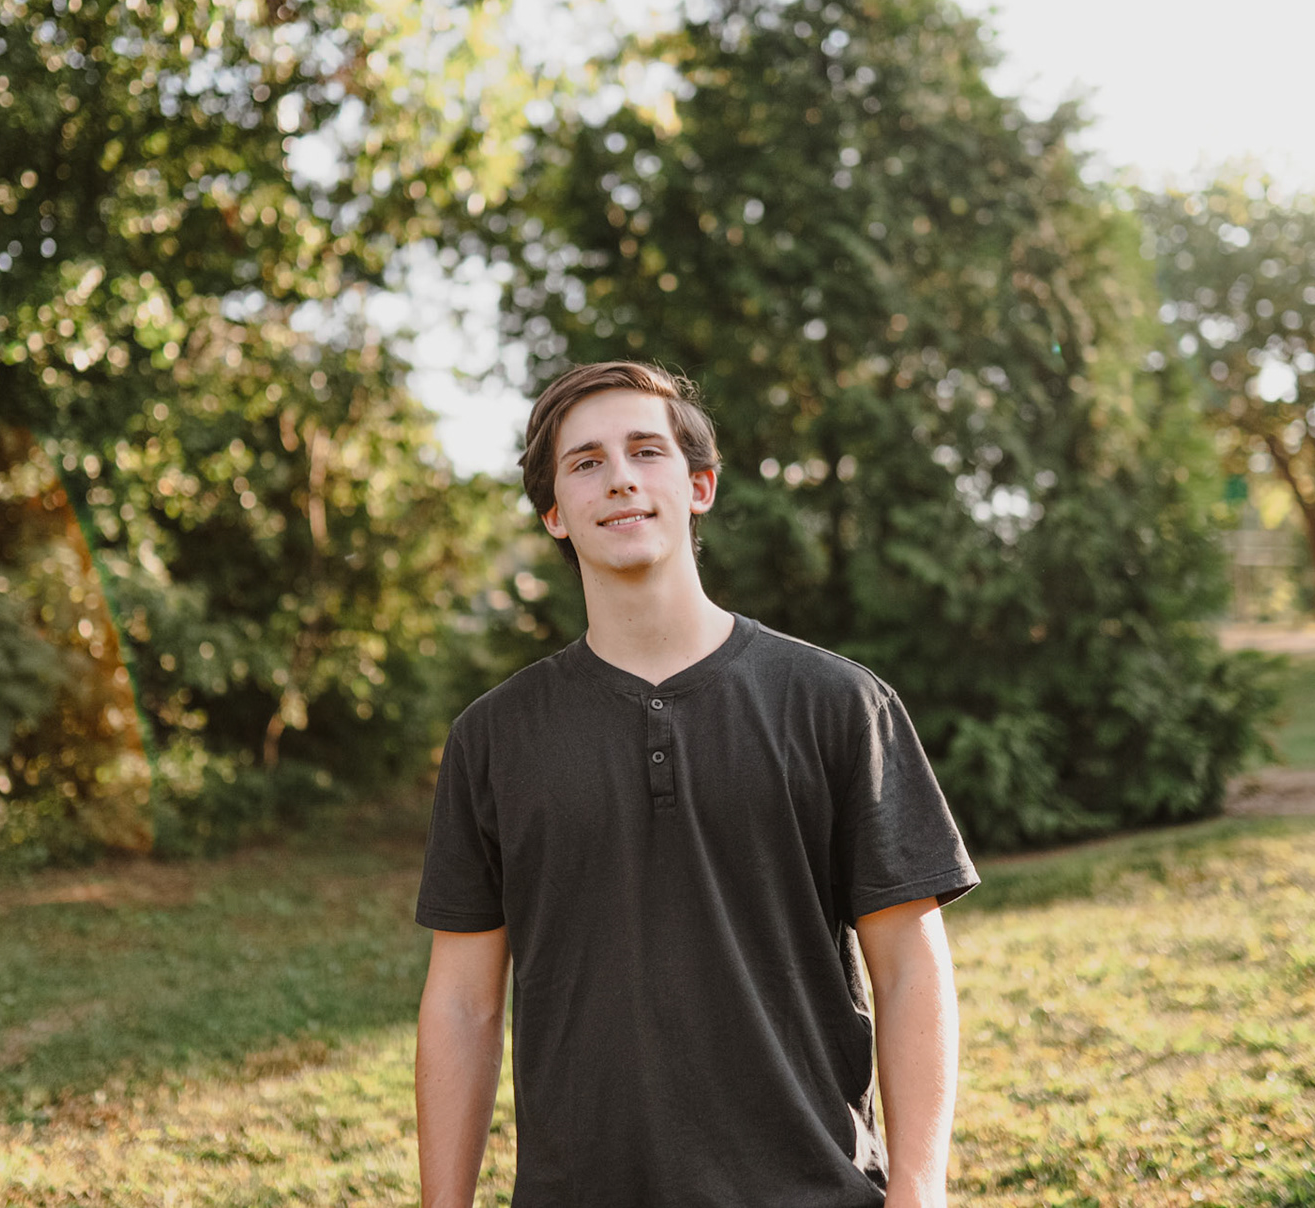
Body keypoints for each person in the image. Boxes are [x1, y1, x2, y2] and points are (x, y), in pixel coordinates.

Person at [414, 361, 978, 1207]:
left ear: (700, 486)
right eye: (586, 462)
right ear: (554, 512)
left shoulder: (837, 704)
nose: (621, 479)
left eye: (647, 451)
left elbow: (910, 971)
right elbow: (463, 1005)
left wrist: (920, 1192)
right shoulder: (492, 739)